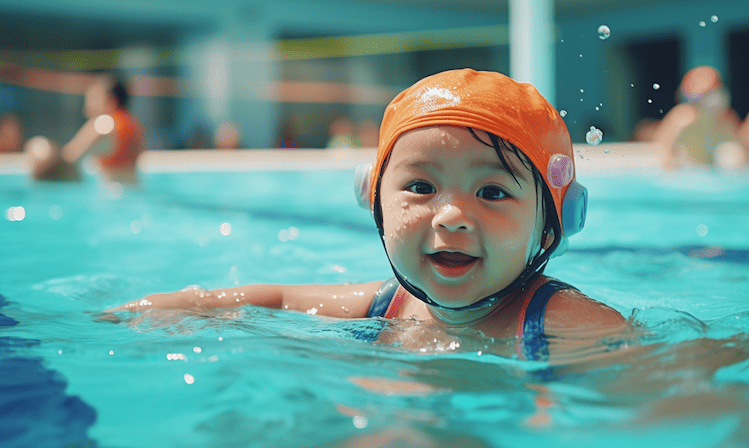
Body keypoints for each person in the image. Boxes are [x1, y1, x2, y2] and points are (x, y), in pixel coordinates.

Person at [106, 69, 625, 359]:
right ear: (373, 197)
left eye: (492, 192)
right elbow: (280, 299)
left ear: (555, 221)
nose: (451, 217)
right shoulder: (389, 304)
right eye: (421, 186)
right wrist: (190, 303)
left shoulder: (560, 324)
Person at [27, 75, 146, 183]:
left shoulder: (104, 124)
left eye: (93, 98)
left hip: (111, 193)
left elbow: (67, 158)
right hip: (135, 188)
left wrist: (37, 149)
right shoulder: (134, 125)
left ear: (110, 101)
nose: (87, 104)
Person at [653, 66, 746, 170]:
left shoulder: (727, 118)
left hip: (715, 174)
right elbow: (662, 146)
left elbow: (743, 148)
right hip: (689, 172)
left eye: (715, 89)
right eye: (708, 92)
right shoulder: (682, 117)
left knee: (733, 154)